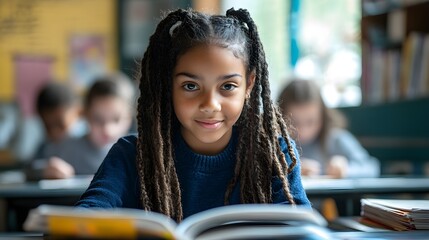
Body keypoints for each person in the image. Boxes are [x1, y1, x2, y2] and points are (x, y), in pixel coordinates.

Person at [76, 8, 311, 221]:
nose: (210, 105)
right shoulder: (131, 156)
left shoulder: (274, 156)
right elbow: (85, 215)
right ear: (169, 85)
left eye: (228, 86)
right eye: (190, 86)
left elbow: (302, 228)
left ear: (249, 85)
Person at [26, 73, 135, 180]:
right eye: (98, 119)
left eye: (116, 119)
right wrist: (45, 170)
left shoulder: (135, 151)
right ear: (85, 114)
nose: (107, 129)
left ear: (129, 117)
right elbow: (29, 169)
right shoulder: (68, 147)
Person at [277, 79, 379, 178]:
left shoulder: (336, 139)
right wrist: (292, 170)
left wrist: (346, 169)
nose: (303, 131)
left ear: (323, 117)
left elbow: (371, 167)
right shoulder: (275, 144)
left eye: (311, 122)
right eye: (293, 123)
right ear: (279, 118)